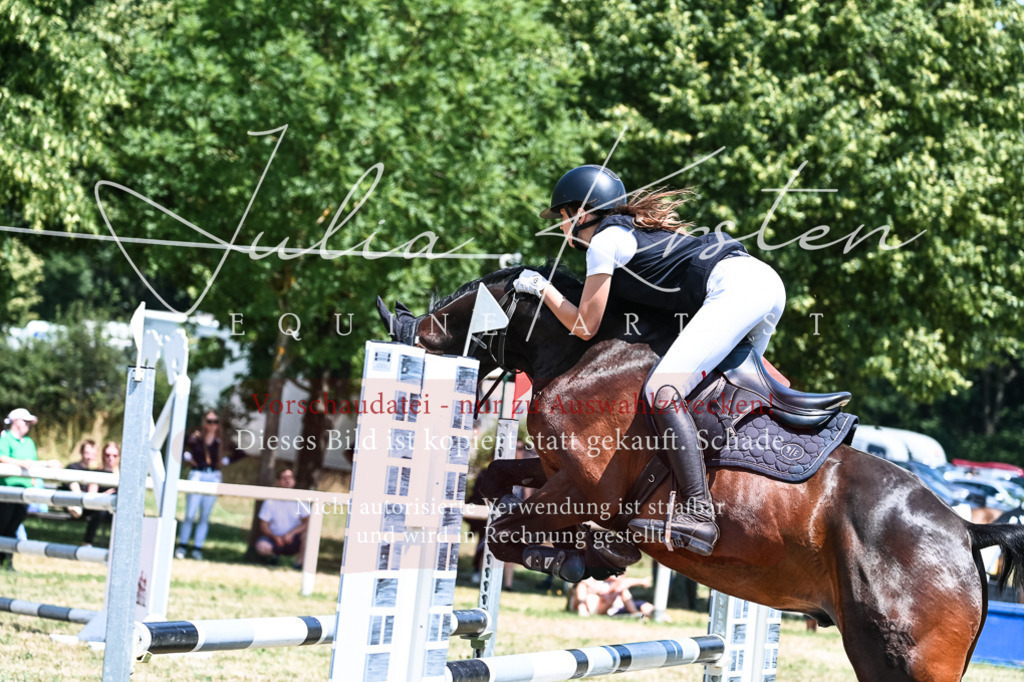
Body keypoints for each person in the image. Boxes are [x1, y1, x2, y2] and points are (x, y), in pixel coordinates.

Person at [516, 165, 786, 556]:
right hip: (763, 284)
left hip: (737, 288)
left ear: (581, 213)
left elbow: (584, 324)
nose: (561, 226)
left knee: (662, 392)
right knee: (711, 399)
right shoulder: (630, 236)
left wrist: (541, 288)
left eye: (561, 216)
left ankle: (697, 510)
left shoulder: (604, 242)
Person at [176, 410, 245, 560]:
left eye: (215, 421)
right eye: (209, 421)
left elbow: (240, 452)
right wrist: (187, 457)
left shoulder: (222, 440)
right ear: (204, 422)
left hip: (213, 476)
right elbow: (177, 445)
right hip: (197, 474)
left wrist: (226, 461)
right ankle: (182, 546)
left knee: (205, 516)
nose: (212, 424)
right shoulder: (196, 438)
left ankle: (197, 548)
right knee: (189, 514)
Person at [0, 408, 42, 570]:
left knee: (13, 527)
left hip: (24, 493)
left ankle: (7, 561)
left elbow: (32, 463)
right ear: (16, 421)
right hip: (6, 492)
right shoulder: (5, 438)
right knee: (2, 526)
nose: (28, 425)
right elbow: (1, 457)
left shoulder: (29, 442)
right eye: (26, 421)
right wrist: (21, 463)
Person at [254, 469, 309, 568]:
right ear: (278, 481)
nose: (287, 481)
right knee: (261, 545)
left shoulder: (301, 499)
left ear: (294, 481)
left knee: (308, 535)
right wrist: (275, 537)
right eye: (284, 478)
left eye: (290, 478)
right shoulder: (270, 501)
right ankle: (272, 559)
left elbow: (308, 522)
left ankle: (299, 565)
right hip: (274, 539)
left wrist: (292, 534)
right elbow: (263, 525)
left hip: (294, 539)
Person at [82, 442, 119, 546]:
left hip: (114, 510)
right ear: (103, 456)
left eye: (114, 455)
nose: (111, 458)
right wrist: (107, 494)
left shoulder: (121, 475)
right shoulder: (97, 473)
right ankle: (87, 542)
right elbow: (92, 495)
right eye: (108, 455)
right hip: (99, 508)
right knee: (100, 513)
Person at [570, 575, 654, 618]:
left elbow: (624, 583)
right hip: (587, 605)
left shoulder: (615, 586)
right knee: (582, 585)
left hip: (605, 606)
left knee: (646, 606)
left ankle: (637, 614)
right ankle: (582, 610)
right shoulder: (593, 580)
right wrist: (641, 581)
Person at [64, 439, 100, 519]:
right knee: (73, 482)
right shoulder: (72, 467)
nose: (89, 457)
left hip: (87, 504)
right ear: (81, 452)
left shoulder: (93, 472)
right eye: (87, 453)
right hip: (70, 501)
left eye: (93, 454)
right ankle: (77, 506)